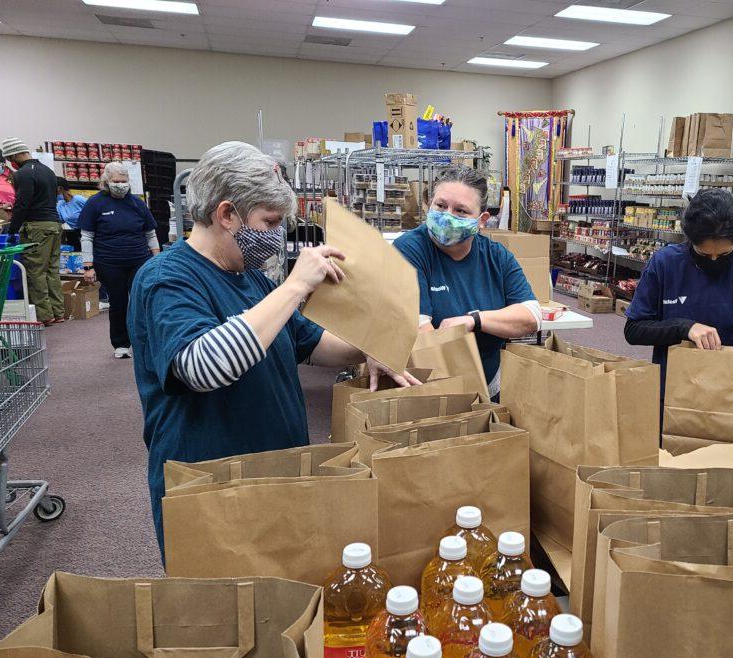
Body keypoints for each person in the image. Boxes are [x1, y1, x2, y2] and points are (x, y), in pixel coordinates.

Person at [128, 141, 419, 557]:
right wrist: (297, 285)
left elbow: (311, 342)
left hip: (272, 473)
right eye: (270, 221)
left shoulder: (252, 279)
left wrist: (369, 347)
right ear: (227, 214)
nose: (277, 235)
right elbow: (200, 367)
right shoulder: (167, 279)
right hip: (211, 486)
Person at [624, 188, 733, 406]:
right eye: (703, 254)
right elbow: (634, 330)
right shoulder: (665, 262)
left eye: (723, 254)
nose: (713, 260)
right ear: (689, 239)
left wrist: (726, 389)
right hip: (675, 388)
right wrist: (684, 328)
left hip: (732, 390)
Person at [394, 166, 539, 397]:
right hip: (432, 392)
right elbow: (423, 334)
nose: (447, 216)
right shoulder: (410, 249)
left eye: (461, 211)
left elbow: (531, 316)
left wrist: (474, 320)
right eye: (440, 206)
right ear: (429, 205)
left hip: (490, 386)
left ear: (482, 220)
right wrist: (466, 402)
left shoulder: (496, 256)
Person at [78, 162, 160, 358]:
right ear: (106, 181)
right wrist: (88, 265)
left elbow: (150, 233)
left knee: (143, 301)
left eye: (124, 181)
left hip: (139, 260)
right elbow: (87, 236)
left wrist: (157, 258)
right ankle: (121, 344)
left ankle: (147, 342)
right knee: (118, 303)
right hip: (109, 262)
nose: (120, 185)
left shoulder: (137, 203)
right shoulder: (95, 203)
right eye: (116, 181)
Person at [2, 137, 66, 326]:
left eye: (8, 158)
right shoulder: (48, 171)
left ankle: (45, 316)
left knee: (36, 271)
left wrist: (12, 229)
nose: (9, 163)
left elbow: (23, 204)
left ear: (14, 155)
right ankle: (58, 311)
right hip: (54, 225)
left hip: (36, 227)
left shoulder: (23, 174)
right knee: (52, 271)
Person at [56, 176, 87, 252]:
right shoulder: (60, 204)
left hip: (89, 232)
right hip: (76, 233)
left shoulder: (78, 199)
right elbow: (60, 221)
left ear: (60, 188)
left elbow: (94, 210)